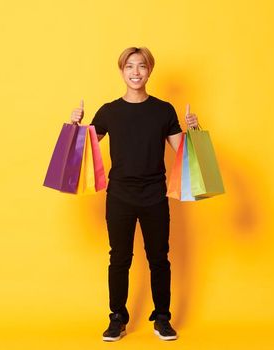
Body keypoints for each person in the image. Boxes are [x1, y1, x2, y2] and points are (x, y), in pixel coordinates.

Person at [70, 47, 199, 342]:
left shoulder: (164, 110)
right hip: (120, 196)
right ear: (121, 72)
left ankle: (162, 318)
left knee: (159, 258)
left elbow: (183, 152)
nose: (136, 72)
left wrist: (196, 130)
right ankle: (117, 318)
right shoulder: (109, 111)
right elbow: (83, 151)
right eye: (130, 66)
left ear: (149, 71)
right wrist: (74, 127)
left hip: (155, 195)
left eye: (141, 66)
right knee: (119, 258)